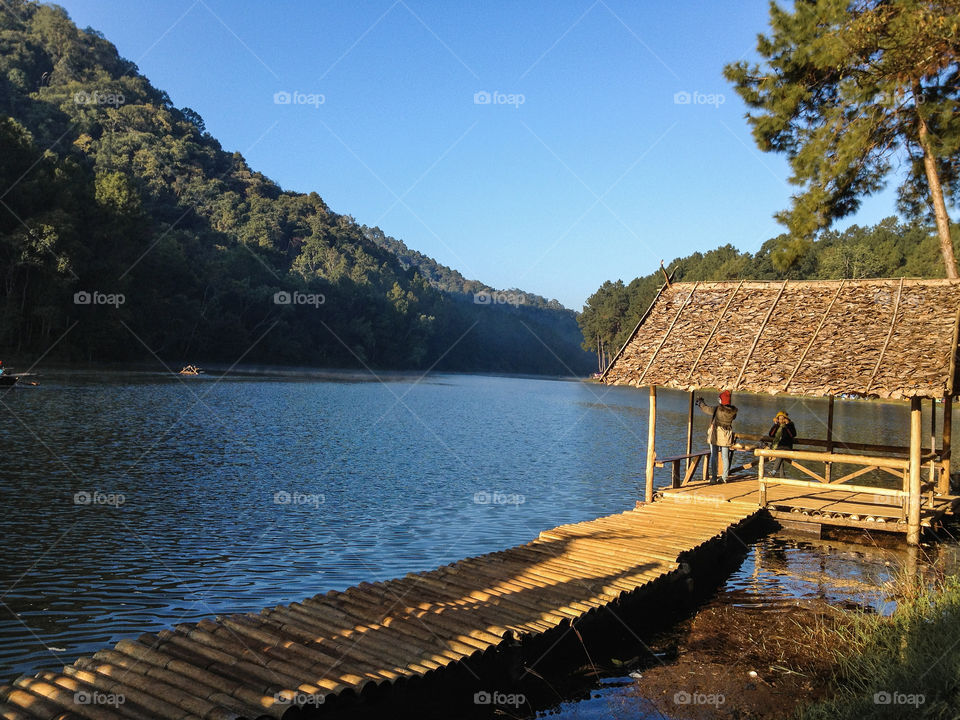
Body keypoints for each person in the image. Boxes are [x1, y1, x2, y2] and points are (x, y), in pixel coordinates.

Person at [696, 390, 738, 483]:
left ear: (722, 400)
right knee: (725, 457)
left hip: (715, 434)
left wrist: (700, 402)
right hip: (726, 435)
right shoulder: (733, 412)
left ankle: (714, 477)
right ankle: (724, 477)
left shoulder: (717, 409)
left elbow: (706, 408)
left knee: (714, 456)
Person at [767, 410, 797, 477]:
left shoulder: (790, 425)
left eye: (782, 418)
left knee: (780, 455)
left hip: (786, 446)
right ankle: (782, 476)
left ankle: (774, 472)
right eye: (779, 418)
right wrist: (775, 424)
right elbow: (771, 434)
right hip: (777, 446)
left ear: (786, 419)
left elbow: (792, 435)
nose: (781, 420)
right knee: (779, 457)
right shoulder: (777, 425)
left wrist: (787, 425)